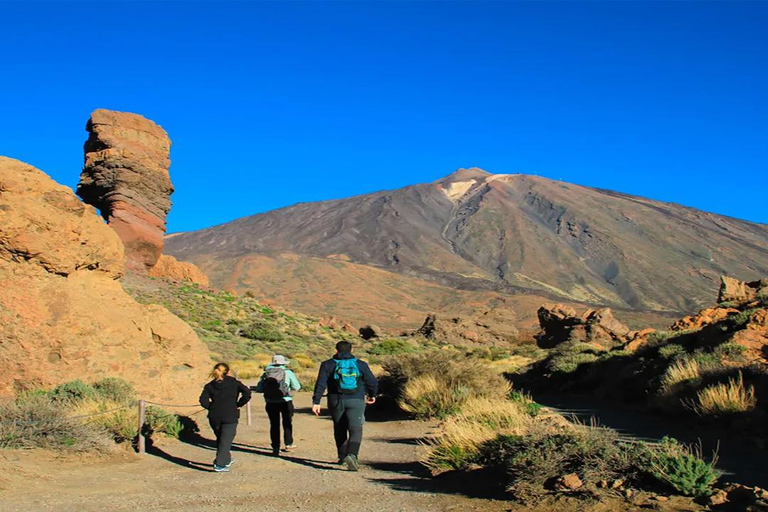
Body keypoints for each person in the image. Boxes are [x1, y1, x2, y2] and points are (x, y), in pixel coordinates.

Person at [312, 341, 378, 471]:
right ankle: (352, 455)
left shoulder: (327, 364)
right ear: (351, 350)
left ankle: (342, 457)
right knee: (355, 428)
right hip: (356, 399)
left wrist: (316, 401)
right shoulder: (360, 364)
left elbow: (320, 384)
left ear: (336, 350)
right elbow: (372, 382)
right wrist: (372, 395)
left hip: (335, 400)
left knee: (339, 427)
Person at [199, 362, 251, 472]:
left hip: (214, 416)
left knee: (221, 439)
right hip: (230, 415)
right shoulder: (234, 383)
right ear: (227, 371)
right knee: (225, 440)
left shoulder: (209, 386)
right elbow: (247, 393)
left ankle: (226, 459)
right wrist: (238, 404)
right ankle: (220, 464)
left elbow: (203, 401)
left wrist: (211, 407)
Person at [254, 355, 302, 456]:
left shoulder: (266, 374)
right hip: (285, 400)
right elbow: (297, 386)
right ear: (283, 363)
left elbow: (259, 388)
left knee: (274, 424)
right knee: (287, 422)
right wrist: (290, 393)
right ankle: (288, 443)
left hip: (270, 402)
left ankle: (275, 447)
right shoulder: (288, 373)